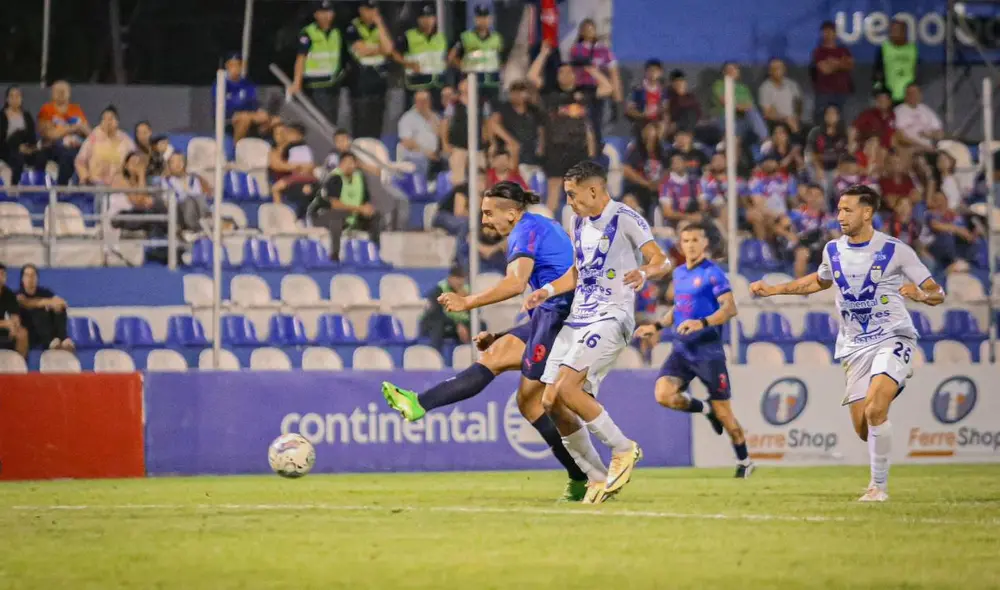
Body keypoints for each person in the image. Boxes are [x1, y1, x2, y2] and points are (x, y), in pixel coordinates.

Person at [381, 181, 596, 502]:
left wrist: (467, 302)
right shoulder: (537, 224)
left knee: (533, 402)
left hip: (562, 319)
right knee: (497, 356)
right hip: (552, 315)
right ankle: (418, 403)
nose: (483, 221)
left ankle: (590, 474)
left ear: (511, 212)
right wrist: (499, 333)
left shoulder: (525, 232)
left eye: (487, 213)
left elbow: (515, 283)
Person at [750, 184, 945, 502]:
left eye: (847, 209)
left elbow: (938, 291)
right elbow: (817, 281)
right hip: (854, 346)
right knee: (863, 427)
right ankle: (885, 398)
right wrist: (775, 290)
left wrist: (922, 295)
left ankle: (877, 488)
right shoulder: (832, 250)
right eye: (839, 209)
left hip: (892, 336)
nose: (840, 215)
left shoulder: (897, 250)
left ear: (867, 213)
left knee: (875, 409)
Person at [523, 161, 672, 504]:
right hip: (579, 318)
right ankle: (596, 476)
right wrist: (546, 290)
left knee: (568, 387)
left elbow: (661, 260)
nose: (569, 202)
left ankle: (623, 448)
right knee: (550, 401)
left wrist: (645, 273)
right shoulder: (576, 221)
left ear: (594, 190)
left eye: (573, 195)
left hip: (611, 316)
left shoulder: (626, 218)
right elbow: (579, 271)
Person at [634, 222, 752, 478]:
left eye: (695, 240)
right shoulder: (678, 273)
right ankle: (705, 409)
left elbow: (730, 309)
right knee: (663, 395)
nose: (690, 245)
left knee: (726, 414)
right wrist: (655, 326)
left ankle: (744, 461)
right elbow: (678, 309)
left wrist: (702, 322)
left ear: (705, 243)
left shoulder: (714, 274)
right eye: (685, 240)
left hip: (708, 352)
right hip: (681, 350)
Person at [307, 151, 380, 260]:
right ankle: (334, 256)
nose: (349, 166)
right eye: (345, 163)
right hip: (321, 216)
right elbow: (334, 204)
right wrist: (360, 209)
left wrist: (367, 209)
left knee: (374, 215)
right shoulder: (335, 178)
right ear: (340, 164)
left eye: (351, 163)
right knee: (338, 215)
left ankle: (375, 253)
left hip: (350, 215)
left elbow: (364, 200)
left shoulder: (359, 178)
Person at [569, 18, 623, 147]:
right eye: (585, 29)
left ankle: (597, 149)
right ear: (581, 32)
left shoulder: (604, 51)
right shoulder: (576, 49)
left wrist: (617, 101)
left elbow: (614, 75)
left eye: (591, 29)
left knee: (596, 122)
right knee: (580, 121)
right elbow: (572, 70)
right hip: (580, 89)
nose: (588, 32)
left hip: (598, 90)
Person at [345, 0, 394, 138]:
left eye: (374, 9)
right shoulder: (352, 27)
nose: (372, 12)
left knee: (377, 124)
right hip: (360, 84)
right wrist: (380, 49)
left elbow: (389, 49)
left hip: (379, 83)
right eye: (368, 9)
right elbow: (361, 50)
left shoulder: (382, 26)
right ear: (361, 10)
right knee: (361, 125)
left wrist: (379, 24)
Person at [292, 1, 344, 127]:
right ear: (316, 14)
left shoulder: (337, 32)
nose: (326, 16)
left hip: (332, 84)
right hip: (315, 86)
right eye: (322, 12)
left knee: (332, 121)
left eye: (329, 12)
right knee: (321, 122)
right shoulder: (308, 32)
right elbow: (300, 58)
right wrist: (297, 82)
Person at [449, 5, 504, 110]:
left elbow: (501, 60)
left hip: (492, 83)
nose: (483, 20)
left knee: (493, 112)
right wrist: (463, 68)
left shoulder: (497, 38)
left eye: (486, 17)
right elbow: (451, 57)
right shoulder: (465, 37)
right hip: (473, 83)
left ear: (491, 19)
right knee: (473, 113)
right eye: (480, 17)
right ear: (475, 19)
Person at [393, 3, 447, 109]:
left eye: (430, 17)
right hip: (416, 86)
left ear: (435, 19)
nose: (427, 21)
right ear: (418, 20)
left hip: (437, 86)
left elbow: (444, 58)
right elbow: (394, 53)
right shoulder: (409, 36)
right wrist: (408, 64)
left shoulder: (441, 38)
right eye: (423, 17)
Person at [37, 80, 90, 184]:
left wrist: (66, 129)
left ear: (69, 93)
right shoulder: (47, 109)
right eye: (58, 91)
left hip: (76, 146)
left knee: (81, 153)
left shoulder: (76, 109)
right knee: (67, 155)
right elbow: (51, 134)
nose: (61, 93)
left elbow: (89, 133)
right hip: (54, 147)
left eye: (64, 91)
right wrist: (74, 128)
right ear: (52, 93)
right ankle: (60, 189)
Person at [214, 53, 273, 142]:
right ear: (227, 66)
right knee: (244, 119)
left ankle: (266, 148)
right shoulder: (221, 83)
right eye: (232, 65)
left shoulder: (247, 83)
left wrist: (259, 112)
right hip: (229, 118)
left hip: (248, 115)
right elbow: (220, 106)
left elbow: (253, 104)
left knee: (272, 120)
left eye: (238, 65)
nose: (235, 68)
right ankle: (237, 148)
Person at [16, 264, 73, 352]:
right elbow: (27, 303)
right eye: (27, 275)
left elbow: (62, 303)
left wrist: (55, 305)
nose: (30, 278)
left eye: (33, 275)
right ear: (22, 279)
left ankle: (63, 338)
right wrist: (47, 303)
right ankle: (50, 342)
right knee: (38, 310)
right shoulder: (18, 294)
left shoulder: (45, 292)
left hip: (49, 329)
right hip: (30, 333)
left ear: (37, 278)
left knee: (59, 308)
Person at [489, 80, 545, 170]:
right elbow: (493, 124)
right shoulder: (504, 108)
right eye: (514, 93)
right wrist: (510, 141)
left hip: (531, 157)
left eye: (520, 93)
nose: (517, 96)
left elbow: (540, 130)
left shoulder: (533, 110)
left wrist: (541, 148)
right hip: (511, 157)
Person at [74, 106, 135, 186]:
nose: (107, 122)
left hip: (119, 186)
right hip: (95, 184)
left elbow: (134, 161)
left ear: (117, 122)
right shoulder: (94, 137)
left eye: (110, 119)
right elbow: (80, 161)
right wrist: (85, 177)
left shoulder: (126, 140)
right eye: (104, 119)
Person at [418, 264, 473, 349]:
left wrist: (466, 301)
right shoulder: (439, 290)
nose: (460, 282)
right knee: (437, 324)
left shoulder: (467, 291)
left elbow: (474, 313)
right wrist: (457, 325)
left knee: (480, 324)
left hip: (457, 326)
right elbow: (436, 313)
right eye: (457, 278)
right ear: (450, 278)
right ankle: (436, 354)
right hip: (439, 324)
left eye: (462, 278)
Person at [623, 121, 668, 220]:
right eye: (647, 130)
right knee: (630, 202)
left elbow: (667, 171)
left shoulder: (662, 151)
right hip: (637, 189)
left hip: (658, 191)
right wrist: (646, 183)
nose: (650, 133)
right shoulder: (636, 148)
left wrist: (659, 183)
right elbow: (626, 170)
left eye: (653, 130)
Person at [810, 21, 854, 121]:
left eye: (830, 31)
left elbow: (850, 65)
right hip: (824, 93)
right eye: (825, 31)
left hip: (842, 93)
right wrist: (840, 63)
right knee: (821, 122)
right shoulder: (818, 52)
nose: (828, 34)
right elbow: (824, 69)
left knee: (841, 122)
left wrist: (833, 63)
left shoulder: (843, 50)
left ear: (835, 33)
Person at [1, 86, 43, 185]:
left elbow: (32, 136)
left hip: (25, 146)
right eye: (12, 96)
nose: (15, 99)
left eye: (17, 96)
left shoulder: (27, 116)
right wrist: (17, 147)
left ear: (21, 98)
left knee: (41, 156)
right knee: (17, 158)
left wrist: (29, 148)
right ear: (7, 99)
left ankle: (40, 189)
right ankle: (14, 188)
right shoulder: (2, 116)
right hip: (7, 148)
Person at [161, 152, 213, 233]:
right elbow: (167, 201)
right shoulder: (166, 181)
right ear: (168, 165)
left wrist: (186, 186)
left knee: (200, 198)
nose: (177, 164)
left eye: (180, 161)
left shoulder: (193, 178)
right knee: (188, 201)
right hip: (178, 211)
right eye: (173, 162)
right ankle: (197, 227)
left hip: (196, 209)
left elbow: (197, 195)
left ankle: (208, 222)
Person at [396, 89, 442, 181]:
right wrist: (426, 153)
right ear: (415, 102)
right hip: (413, 155)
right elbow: (407, 143)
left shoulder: (435, 116)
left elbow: (441, 135)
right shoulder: (407, 118)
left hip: (434, 154)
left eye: (425, 100)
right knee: (420, 159)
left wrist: (431, 118)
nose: (423, 103)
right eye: (420, 101)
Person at [874, 19, 918, 105]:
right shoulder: (884, 48)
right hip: (889, 96)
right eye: (892, 31)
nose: (893, 33)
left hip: (908, 96)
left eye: (896, 30)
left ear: (904, 32)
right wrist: (878, 90)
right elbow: (877, 71)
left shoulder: (913, 49)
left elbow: (918, 70)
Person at [758, 57, 802, 136]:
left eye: (780, 68)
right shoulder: (765, 88)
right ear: (770, 71)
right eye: (774, 68)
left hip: (794, 119)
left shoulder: (792, 85)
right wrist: (786, 119)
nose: (777, 70)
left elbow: (798, 103)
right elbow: (767, 113)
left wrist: (796, 117)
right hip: (776, 122)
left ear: (784, 69)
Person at [893, 84, 942, 154]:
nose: (913, 96)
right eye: (910, 93)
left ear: (920, 95)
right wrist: (922, 146)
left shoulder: (926, 110)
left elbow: (940, 133)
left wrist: (931, 135)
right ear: (905, 96)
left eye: (916, 93)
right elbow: (900, 137)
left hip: (929, 148)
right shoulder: (898, 111)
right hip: (909, 148)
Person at [625, 59, 668, 138]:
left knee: (662, 127)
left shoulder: (663, 90)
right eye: (650, 71)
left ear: (660, 73)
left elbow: (665, 109)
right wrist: (642, 115)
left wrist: (665, 118)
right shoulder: (637, 90)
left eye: (656, 71)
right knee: (651, 132)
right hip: (641, 122)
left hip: (658, 121)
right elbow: (628, 110)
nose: (653, 74)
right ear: (645, 72)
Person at [0, 262, 29, 359]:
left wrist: (15, 325)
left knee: (22, 333)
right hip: (3, 324)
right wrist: (6, 324)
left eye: (3, 274)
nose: (0, 277)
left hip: (3, 329)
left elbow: (15, 315)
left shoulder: (8, 294)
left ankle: (20, 368)